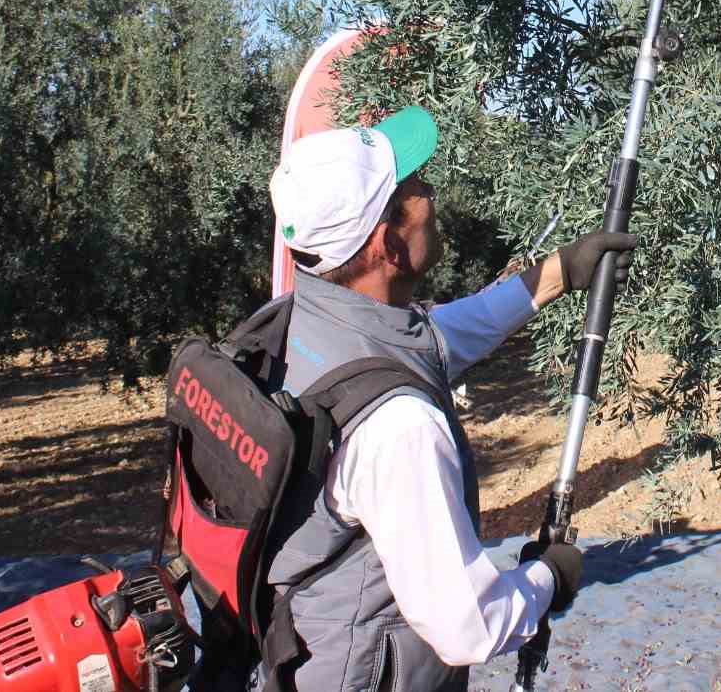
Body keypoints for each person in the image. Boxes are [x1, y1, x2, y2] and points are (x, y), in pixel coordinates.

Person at [260, 105, 636, 692]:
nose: (429, 191)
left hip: (306, 646)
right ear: (387, 242)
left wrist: (558, 271)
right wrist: (548, 579)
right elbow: (468, 626)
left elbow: (433, 339)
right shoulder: (399, 428)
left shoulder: (292, 326)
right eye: (414, 186)